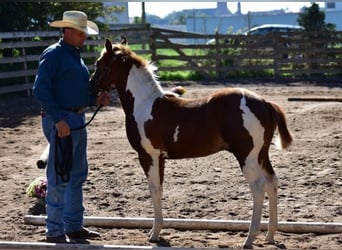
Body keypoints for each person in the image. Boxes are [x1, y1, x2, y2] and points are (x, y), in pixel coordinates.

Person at [32, 10, 110, 243]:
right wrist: (57, 119)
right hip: (62, 121)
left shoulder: (74, 54)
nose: (84, 35)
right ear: (67, 31)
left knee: (76, 174)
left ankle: (73, 226)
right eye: (80, 31)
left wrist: (94, 100)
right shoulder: (54, 54)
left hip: (75, 119)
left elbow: (73, 91)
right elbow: (40, 89)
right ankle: (54, 230)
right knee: (59, 175)